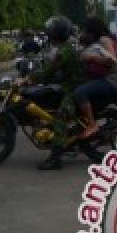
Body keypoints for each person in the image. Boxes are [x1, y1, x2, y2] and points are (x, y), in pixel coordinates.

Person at [32, 15, 85, 171]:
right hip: (67, 86)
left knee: (60, 117)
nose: (48, 34)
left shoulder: (64, 52)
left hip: (73, 90)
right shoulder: (64, 48)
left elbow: (49, 70)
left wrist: (28, 78)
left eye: (50, 32)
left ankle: (55, 159)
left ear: (56, 34)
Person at [72, 18, 117, 141]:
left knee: (80, 92)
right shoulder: (104, 40)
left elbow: (111, 60)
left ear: (92, 31)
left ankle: (92, 124)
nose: (84, 33)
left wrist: (90, 57)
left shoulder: (104, 39)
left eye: (85, 31)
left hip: (112, 80)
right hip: (112, 79)